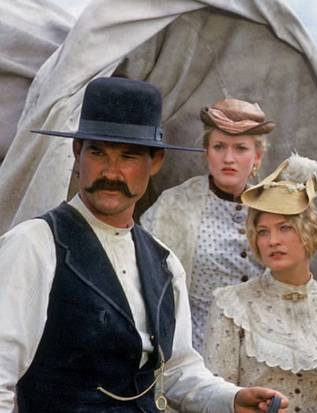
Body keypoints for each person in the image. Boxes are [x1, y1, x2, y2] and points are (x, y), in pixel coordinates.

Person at [0, 77, 287, 412]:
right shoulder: (33, 244)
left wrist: (233, 399)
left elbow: (176, 372)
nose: (111, 171)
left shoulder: (163, 262)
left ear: (155, 162)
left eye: (129, 156)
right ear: (78, 153)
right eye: (98, 152)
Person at [203, 153, 317, 413]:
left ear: (309, 231)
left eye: (285, 228)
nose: (273, 240)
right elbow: (216, 396)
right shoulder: (232, 305)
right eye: (263, 231)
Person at [142, 98, 271, 352]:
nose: (229, 158)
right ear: (206, 152)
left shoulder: (275, 207)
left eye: (240, 148)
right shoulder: (175, 205)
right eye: (219, 147)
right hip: (196, 351)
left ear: (257, 156)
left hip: (262, 352)